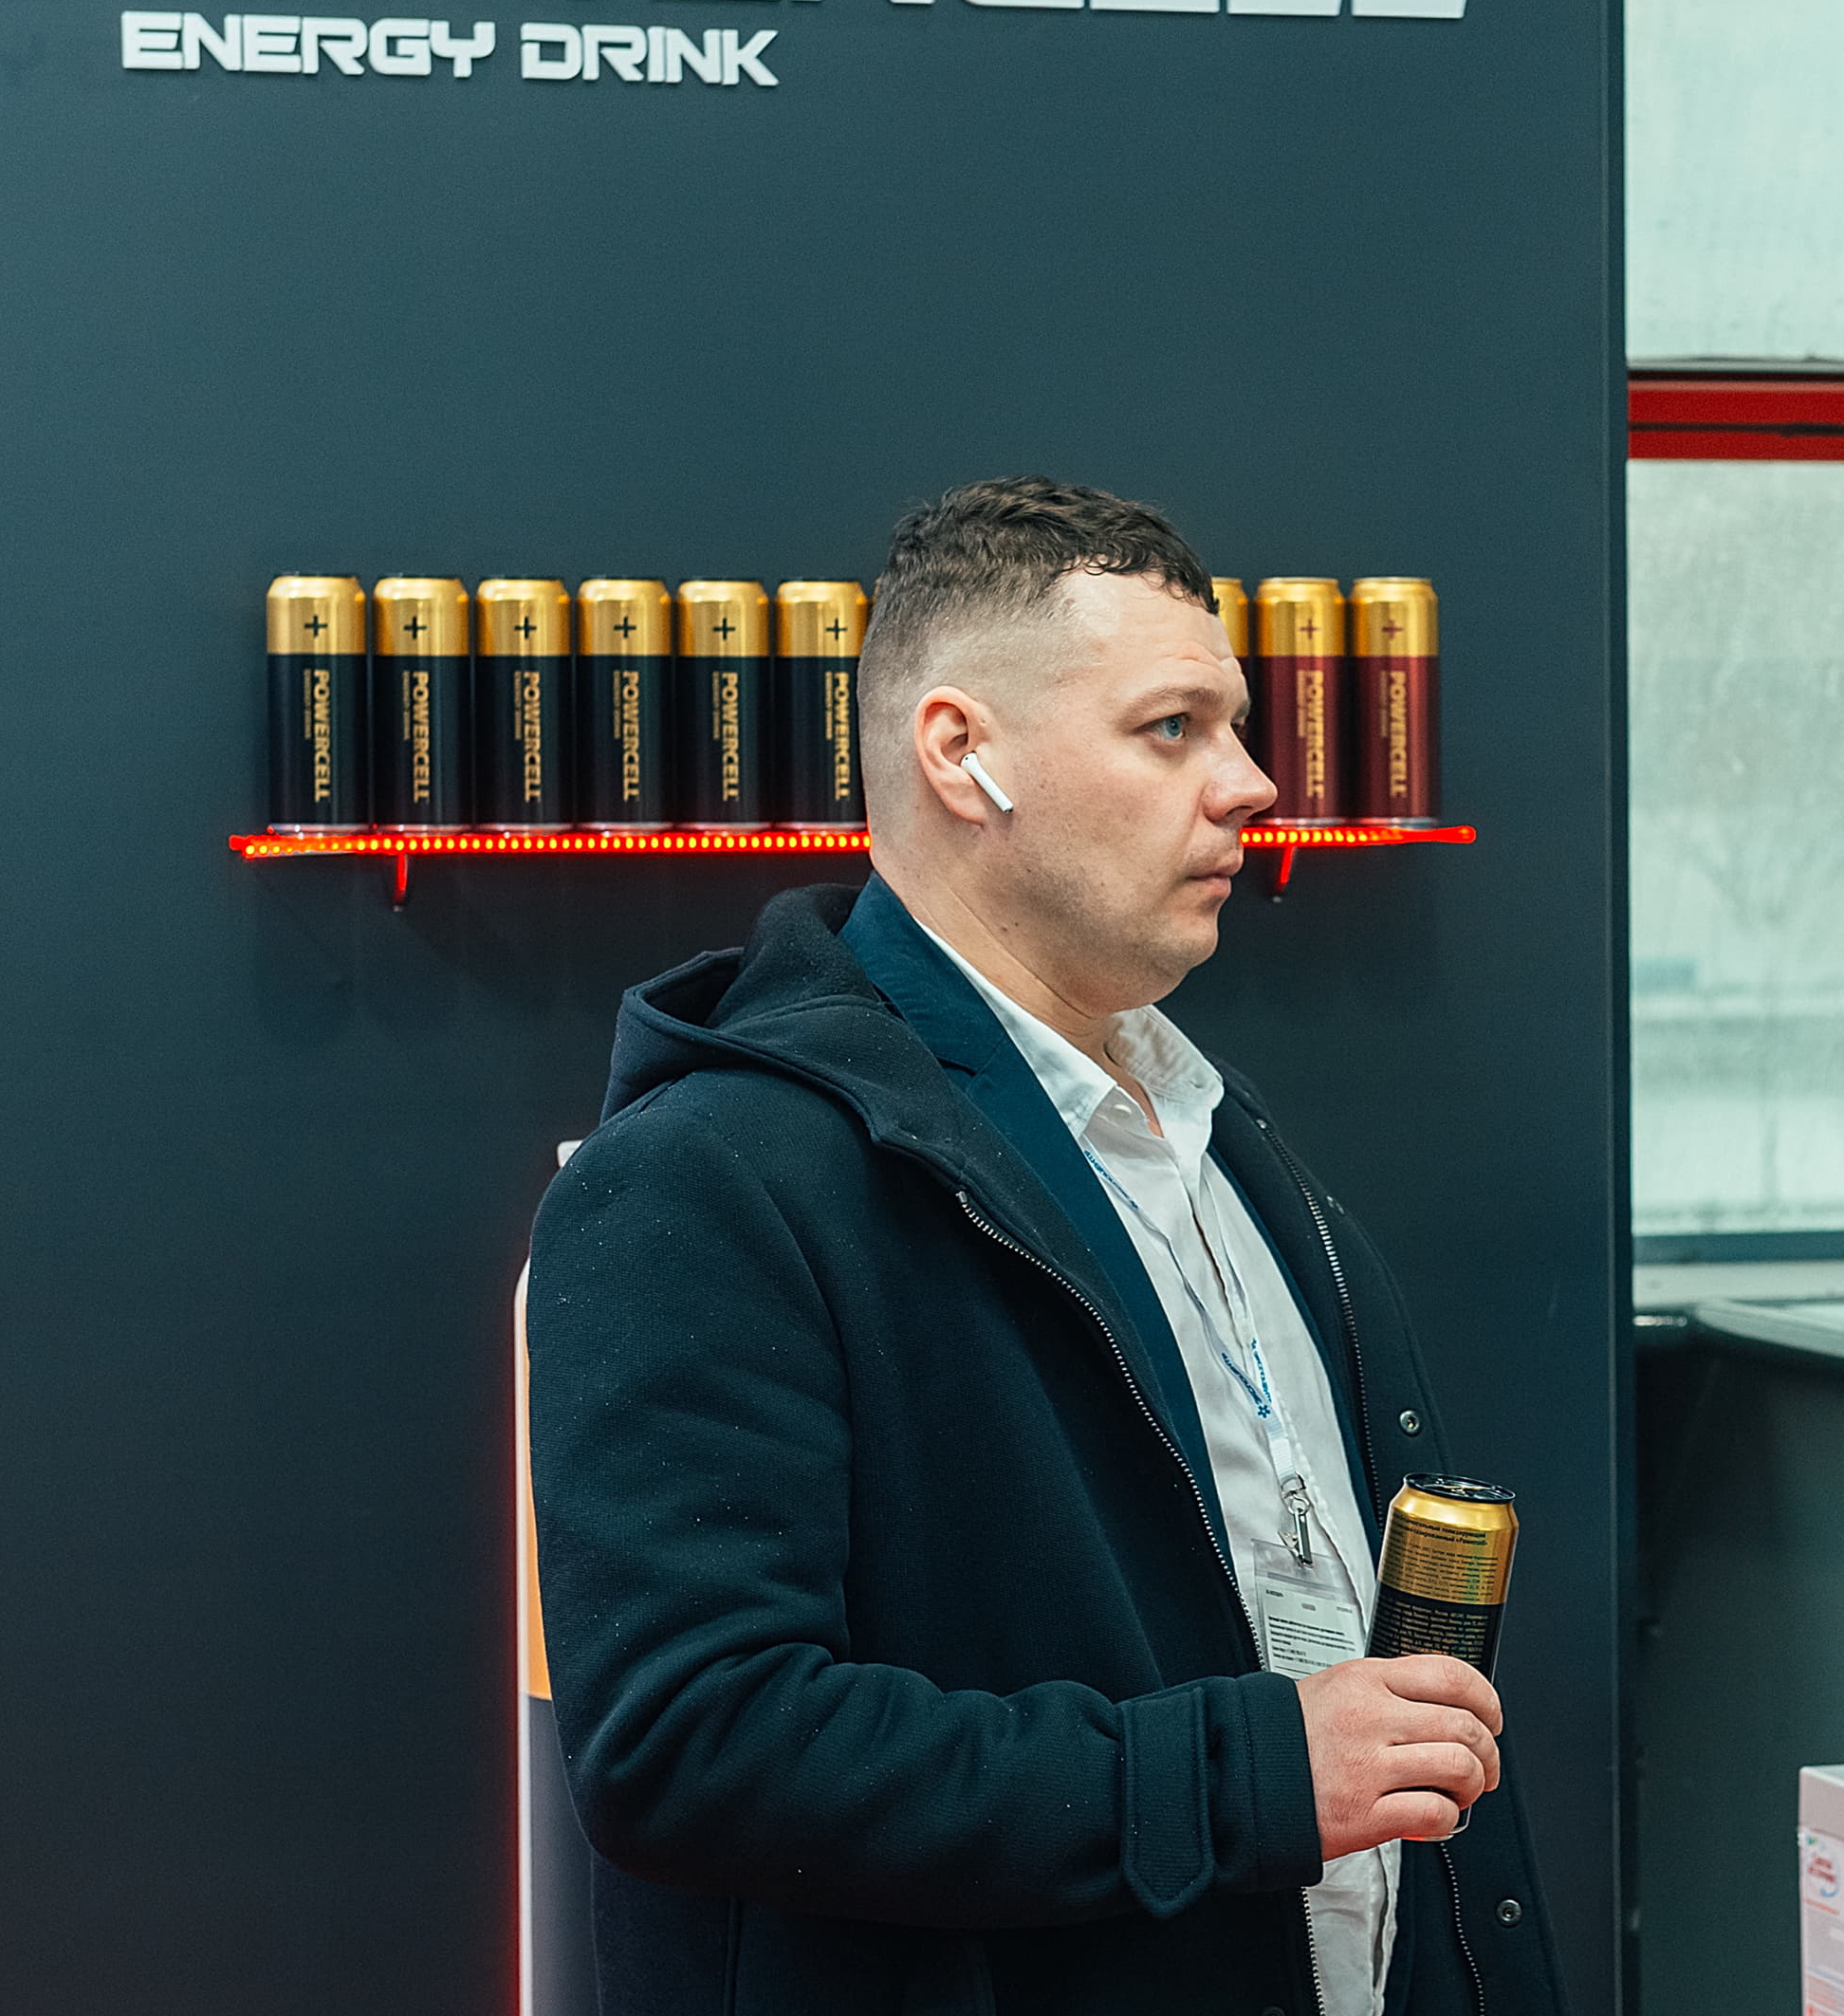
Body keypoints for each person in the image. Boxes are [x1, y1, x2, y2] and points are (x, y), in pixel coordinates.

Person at [527, 479, 1562, 2016]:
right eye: (1173, 728)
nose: (1252, 782)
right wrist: (1250, 1772)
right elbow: (695, 1744)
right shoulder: (705, 1179)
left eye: (1238, 727)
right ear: (963, 753)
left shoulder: (1213, 1128)